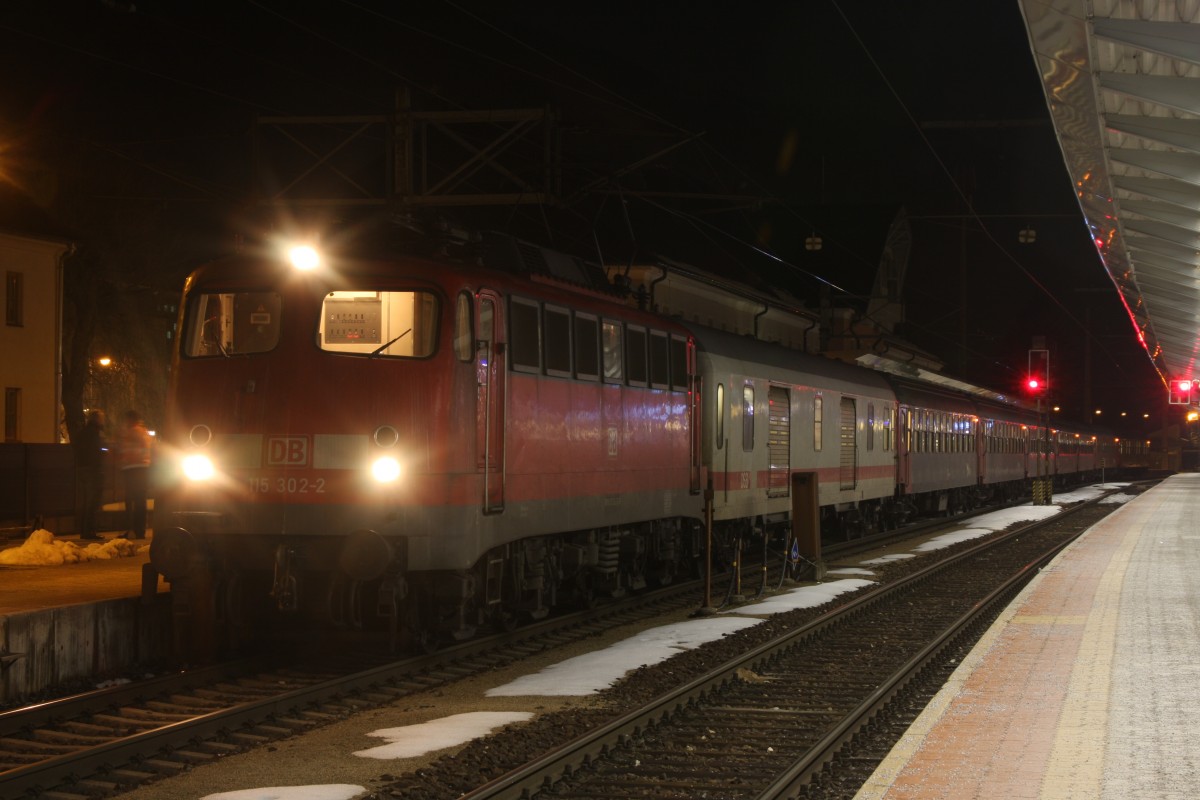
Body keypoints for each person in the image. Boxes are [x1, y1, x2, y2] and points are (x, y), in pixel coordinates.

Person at [116, 409, 152, 539]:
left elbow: (124, 449)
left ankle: (134, 530)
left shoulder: (133, 432)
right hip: (140, 468)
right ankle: (138, 530)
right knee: (139, 500)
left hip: (133, 469)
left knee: (133, 500)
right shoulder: (143, 432)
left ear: (131, 419)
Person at [75, 410, 106, 540]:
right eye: (102, 418)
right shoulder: (94, 433)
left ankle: (86, 531)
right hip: (92, 470)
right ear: (97, 419)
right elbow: (96, 451)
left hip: (83, 469)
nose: (104, 420)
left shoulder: (84, 432)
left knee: (87, 501)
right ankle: (89, 532)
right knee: (92, 502)